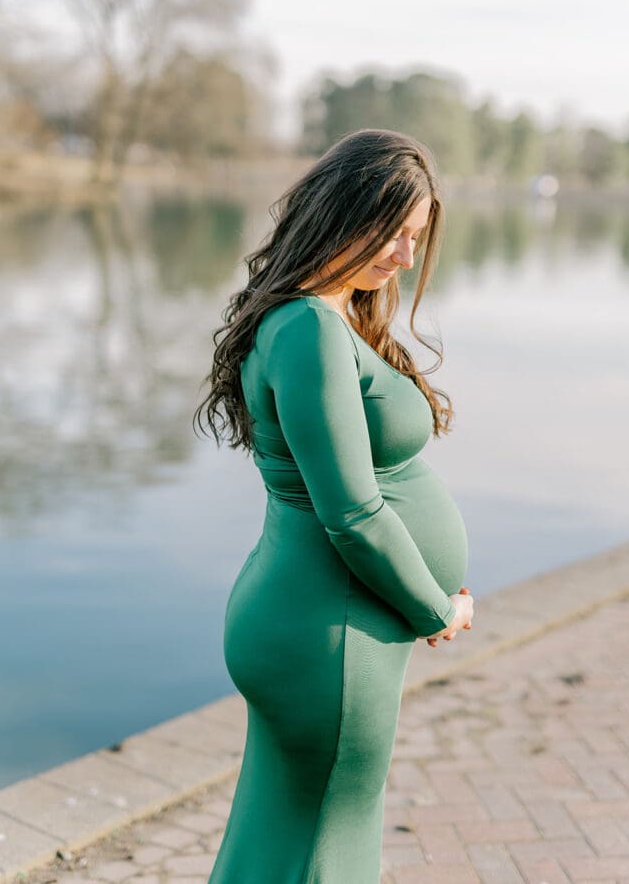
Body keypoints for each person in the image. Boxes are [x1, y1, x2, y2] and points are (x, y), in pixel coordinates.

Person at [194, 127, 474, 884]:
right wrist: (433, 607)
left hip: (314, 621)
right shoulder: (311, 328)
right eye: (396, 233)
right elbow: (351, 513)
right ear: (344, 213)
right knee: (331, 846)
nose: (407, 258)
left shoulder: (316, 315)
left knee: (278, 837)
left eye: (417, 239)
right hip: (328, 636)